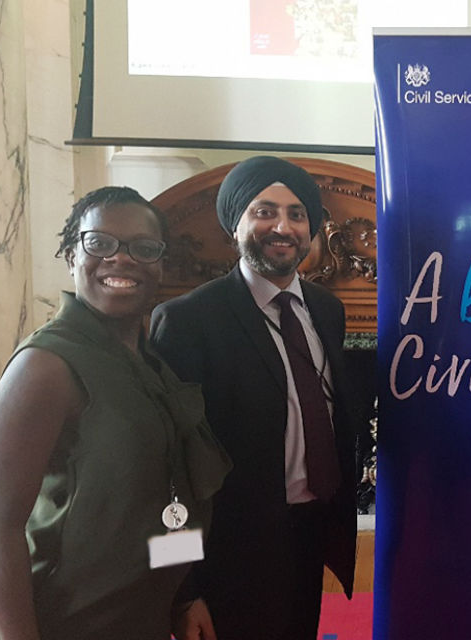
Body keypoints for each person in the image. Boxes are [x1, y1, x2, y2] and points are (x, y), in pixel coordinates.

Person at [0, 187, 231, 640]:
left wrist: (181, 597)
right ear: (72, 255)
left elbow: (165, 499)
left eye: (143, 248)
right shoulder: (44, 366)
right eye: (100, 243)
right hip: (63, 623)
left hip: (139, 618)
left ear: (160, 264)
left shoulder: (151, 364)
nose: (121, 258)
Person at [150, 156, 361, 640]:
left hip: (308, 538)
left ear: (311, 229)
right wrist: (182, 589)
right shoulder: (188, 321)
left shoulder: (327, 311)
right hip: (227, 556)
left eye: (296, 213)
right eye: (264, 211)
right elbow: (166, 468)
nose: (282, 226)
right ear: (235, 225)